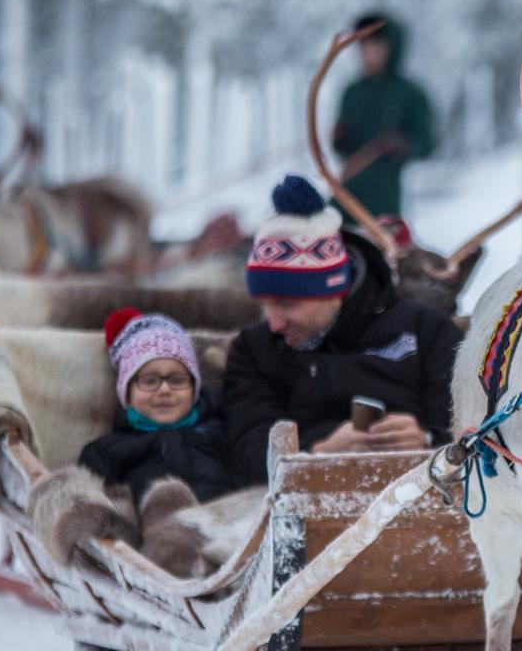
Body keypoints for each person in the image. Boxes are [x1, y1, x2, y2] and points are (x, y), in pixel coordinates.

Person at [218, 175, 462, 484]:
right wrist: (316, 454)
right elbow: (243, 451)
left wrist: (427, 441)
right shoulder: (255, 350)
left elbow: (477, 434)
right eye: (265, 304)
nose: (274, 322)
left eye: (287, 304)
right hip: (303, 507)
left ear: (335, 289)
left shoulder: (426, 331)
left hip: (424, 503)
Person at [78, 309, 237, 501]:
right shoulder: (103, 454)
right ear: (126, 393)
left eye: (177, 380)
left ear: (194, 388)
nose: (164, 390)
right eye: (149, 380)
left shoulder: (225, 434)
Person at [331, 12, 436, 225]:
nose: (368, 52)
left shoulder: (410, 93)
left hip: (386, 203)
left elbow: (426, 144)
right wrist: (339, 138)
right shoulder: (352, 91)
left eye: (375, 45)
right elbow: (341, 150)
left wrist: (402, 145)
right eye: (363, 45)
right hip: (346, 197)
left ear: (391, 47)